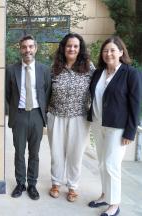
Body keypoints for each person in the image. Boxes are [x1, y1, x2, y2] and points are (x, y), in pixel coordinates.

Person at [87, 36, 141, 216]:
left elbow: (135, 104)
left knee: (111, 165)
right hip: (98, 123)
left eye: (112, 50)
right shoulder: (98, 73)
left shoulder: (130, 73)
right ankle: (105, 195)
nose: (108, 53)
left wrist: (130, 131)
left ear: (121, 52)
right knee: (102, 164)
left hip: (117, 128)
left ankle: (115, 204)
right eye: (105, 50)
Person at [47, 33, 94, 202]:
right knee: (57, 153)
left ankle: (73, 186)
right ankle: (56, 183)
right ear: (63, 48)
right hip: (56, 115)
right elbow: (47, 91)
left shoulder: (89, 69)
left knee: (75, 154)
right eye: (69, 46)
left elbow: (97, 91)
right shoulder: (54, 68)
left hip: (79, 117)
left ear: (80, 49)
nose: (72, 49)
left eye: (75, 46)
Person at [6, 35, 51, 200]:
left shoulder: (44, 70)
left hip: (37, 115)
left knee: (34, 153)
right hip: (19, 115)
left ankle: (32, 184)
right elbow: (8, 94)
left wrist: (42, 113)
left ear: (36, 48)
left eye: (30, 47)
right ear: (20, 49)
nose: (27, 50)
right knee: (19, 152)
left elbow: (47, 92)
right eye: (24, 47)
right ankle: (20, 183)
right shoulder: (11, 70)